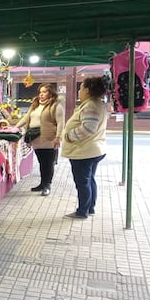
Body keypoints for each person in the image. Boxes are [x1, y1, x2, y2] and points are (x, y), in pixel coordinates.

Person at [62, 76, 109, 219]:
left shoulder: (91, 106)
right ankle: (90, 207)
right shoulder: (96, 104)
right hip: (93, 149)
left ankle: (83, 211)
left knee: (83, 182)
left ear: (87, 90)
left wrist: (69, 136)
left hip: (84, 151)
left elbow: (88, 128)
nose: (79, 91)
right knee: (89, 180)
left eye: (81, 87)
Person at [16, 83, 65, 196]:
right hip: (36, 138)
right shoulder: (35, 105)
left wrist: (58, 137)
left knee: (48, 163)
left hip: (48, 138)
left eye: (44, 92)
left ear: (50, 93)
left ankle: (47, 185)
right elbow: (26, 117)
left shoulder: (55, 106)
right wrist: (15, 127)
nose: (41, 94)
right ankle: (42, 183)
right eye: (40, 92)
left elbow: (60, 122)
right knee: (41, 162)